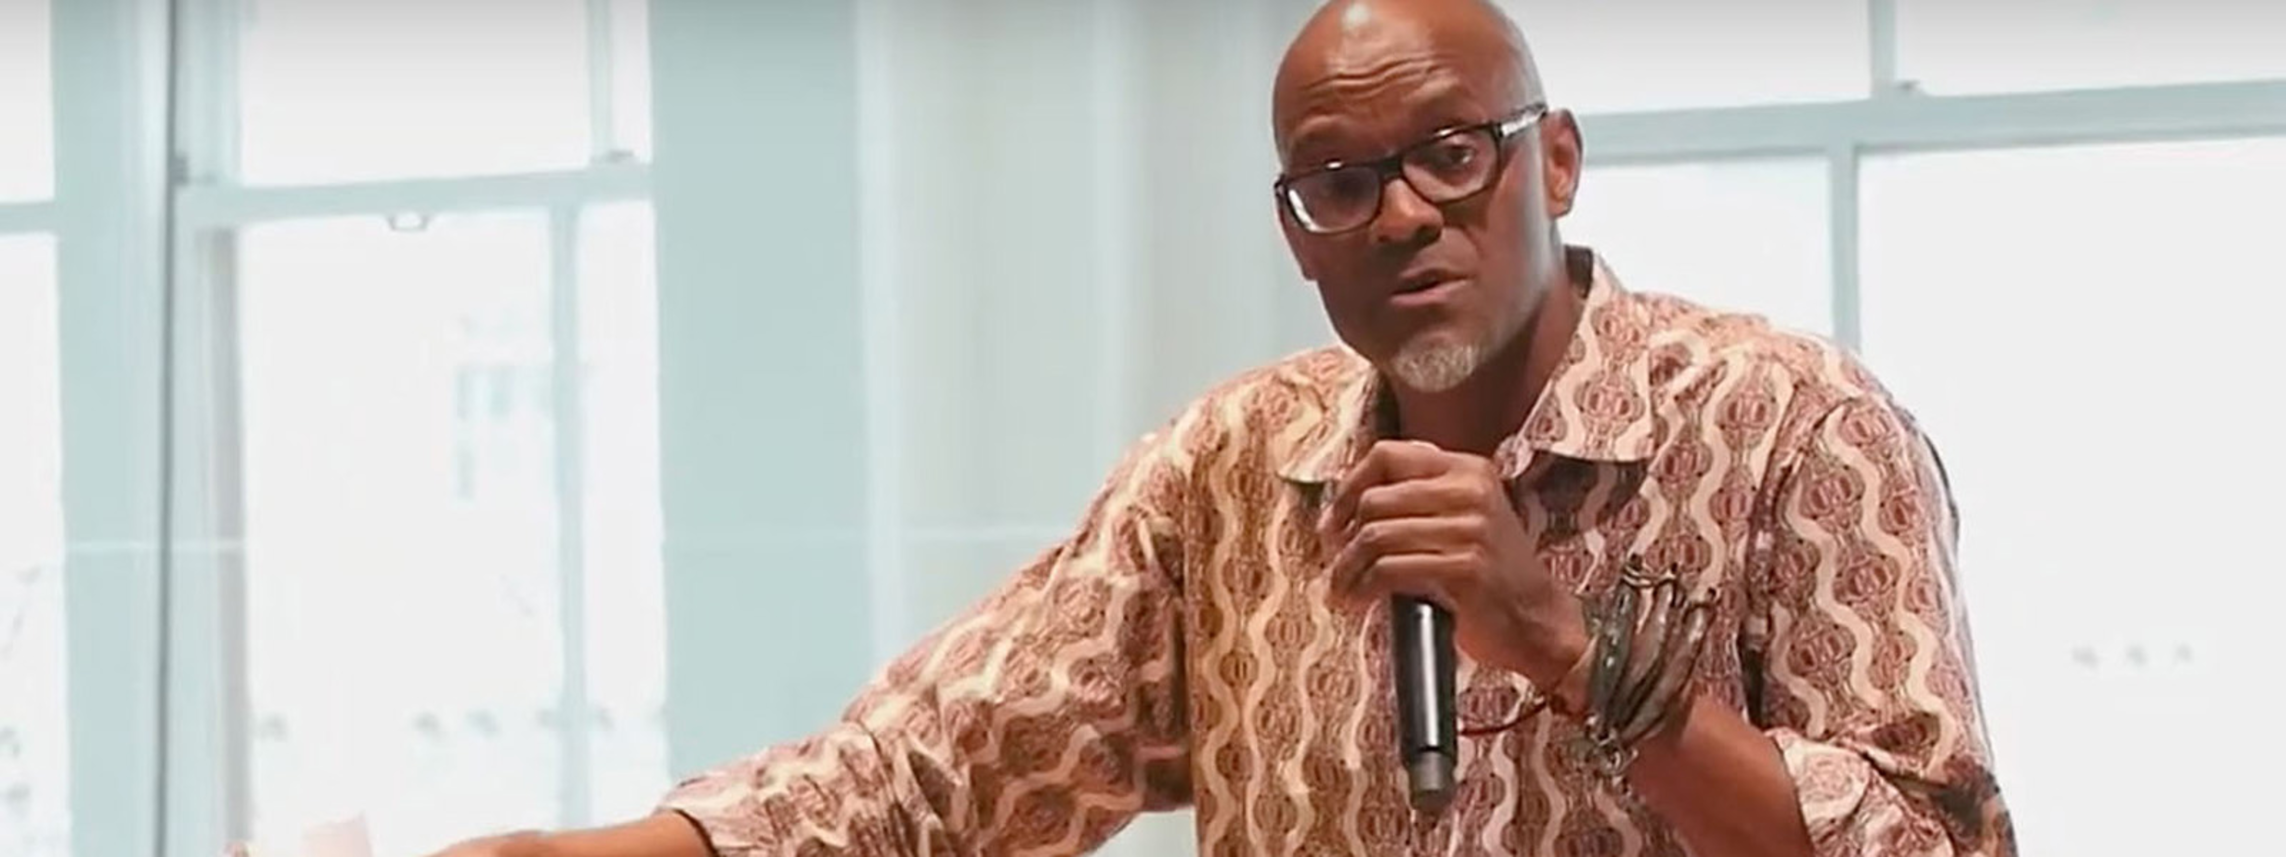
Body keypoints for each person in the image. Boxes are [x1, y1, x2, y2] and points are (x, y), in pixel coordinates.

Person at [426, 0, 2014, 854]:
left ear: (1555, 162)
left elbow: (1931, 852)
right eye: (1340, 182)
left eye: (1451, 152)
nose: (1402, 213)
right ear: (1294, 232)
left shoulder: (1788, 427)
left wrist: (1568, 648)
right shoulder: (1237, 470)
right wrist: (611, 855)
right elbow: (935, 773)